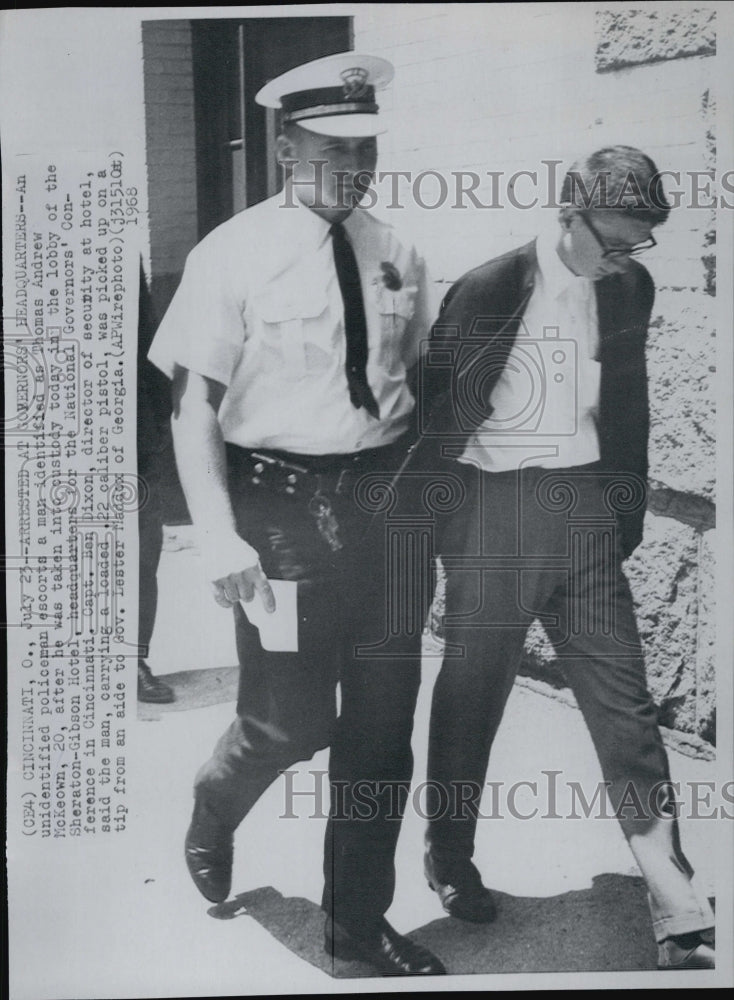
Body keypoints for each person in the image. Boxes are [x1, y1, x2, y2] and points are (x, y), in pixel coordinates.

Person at [148, 52, 445, 977]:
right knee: (290, 721)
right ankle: (213, 800)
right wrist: (219, 531)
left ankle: (357, 921)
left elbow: (415, 388)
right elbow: (192, 405)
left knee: (382, 730)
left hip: (386, 515)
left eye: (366, 151)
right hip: (276, 517)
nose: (353, 171)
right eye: (330, 150)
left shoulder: (400, 251)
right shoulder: (231, 253)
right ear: (284, 147)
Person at [403, 146, 715, 971]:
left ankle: (677, 903)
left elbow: (632, 402)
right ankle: (450, 855)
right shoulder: (488, 287)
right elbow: (435, 418)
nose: (622, 258)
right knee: (474, 696)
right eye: (611, 240)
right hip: (493, 512)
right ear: (567, 215)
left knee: (626, 705)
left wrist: (620, 515)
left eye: (636, 245)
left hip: (582, 513)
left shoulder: (630, 288)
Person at [137, 260, 176, 704]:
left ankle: (132, 659)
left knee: (142, 545)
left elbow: (146, 339)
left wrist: (158, 422)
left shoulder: (119, 250)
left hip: (130, 431)